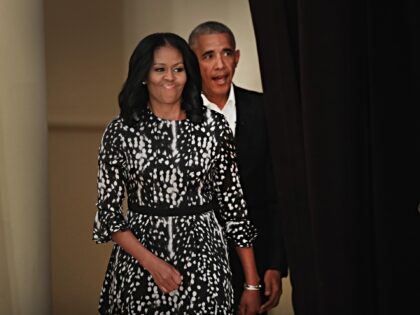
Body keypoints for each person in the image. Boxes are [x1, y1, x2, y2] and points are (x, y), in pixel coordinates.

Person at [92, 32, 262, 314]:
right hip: (140, 267)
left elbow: (235, 210)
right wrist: (152, 264)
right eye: (160, 69)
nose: (170, 77)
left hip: (206, 266)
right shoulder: (120, 132)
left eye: (178, 69)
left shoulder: (213, 127)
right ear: (144, 75)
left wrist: (251, 284)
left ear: (188, 74)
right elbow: (108, 215)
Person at [189, 21, 288, 314]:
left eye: (227, 53)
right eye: (208, 56)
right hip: (193, 266)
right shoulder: (178, 115)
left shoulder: (265, 110)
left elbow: (278, 193)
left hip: (254, 266)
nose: (220, 65)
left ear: (237, 57)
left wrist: (275, 265)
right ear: (192, 62)